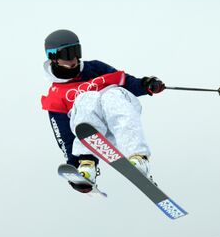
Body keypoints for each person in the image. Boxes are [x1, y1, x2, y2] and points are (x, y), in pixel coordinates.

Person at [41, 29, 165, 193]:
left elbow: (126, 81)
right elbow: (64, 136)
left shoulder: (95, 68)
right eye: (67, 54)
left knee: (111, 94)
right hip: (92, 131)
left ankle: (138, 158)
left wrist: (146, 85)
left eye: (76, 52)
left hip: (120, 119)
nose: (73, 59)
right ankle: (87, 166)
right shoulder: (57, 95)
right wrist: (73, 167)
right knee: (85, 99)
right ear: (53, 58)